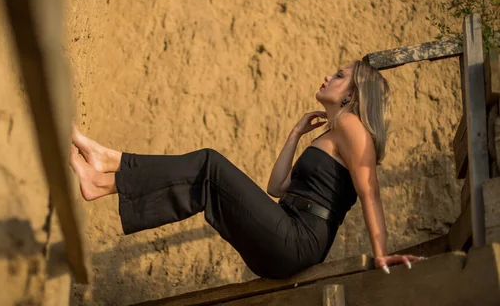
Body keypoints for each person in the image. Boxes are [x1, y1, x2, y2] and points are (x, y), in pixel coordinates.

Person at [69, 60, 421, 278]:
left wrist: (380, 253)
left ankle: (107, 166)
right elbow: (276, 186)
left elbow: (369, 191)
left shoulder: (353, 129)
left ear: (352, 95)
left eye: (340, 75)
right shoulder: (331, 135)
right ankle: (103, 179)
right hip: (285, 229)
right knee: (206, 182)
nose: (328, 75)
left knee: (210, 164)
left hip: (298, 241)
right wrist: (296, 134)